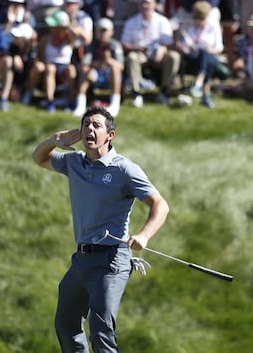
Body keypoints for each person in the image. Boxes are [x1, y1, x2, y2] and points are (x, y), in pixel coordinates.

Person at [32, 106, 169, 353]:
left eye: (96, 125)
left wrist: (144, 235)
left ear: (110, 135)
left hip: (112, 260)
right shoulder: (73, 162)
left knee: (100, 329)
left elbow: (160, 205)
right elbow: (39, 158)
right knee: (66, 323)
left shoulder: (124, 169)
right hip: (82, 259)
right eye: (86, 125)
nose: (89, 129)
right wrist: (55, 140)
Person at [122, 0, 179, 108]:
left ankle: (164, 91)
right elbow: (124, 44)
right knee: (132, 57)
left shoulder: (162, 21)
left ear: (154, 4)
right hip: (140, 54)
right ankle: (136, 93)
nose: (145, 6)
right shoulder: (131, 22)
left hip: (159, 55)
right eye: (142, 2)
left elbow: (170, 43)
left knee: (174, 56)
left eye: (148, 3)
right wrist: (137, 48)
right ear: (138, 5)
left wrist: (162, 50)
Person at [175, 0, 223, 109]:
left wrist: (209, 49)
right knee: (206, 59)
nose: (198, 21)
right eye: (196, 18)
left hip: (210, 56)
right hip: (193, 57)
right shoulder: (190, 28)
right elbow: (186, 45)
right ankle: (205, 95)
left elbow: (219, 48)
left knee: (207, 55)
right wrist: (183, 47)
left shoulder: (214, 27)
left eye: (201, 19)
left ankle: (199, 83)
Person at [73, 17, 124, 117]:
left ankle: (114, 105)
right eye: (100, 31)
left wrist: (108, 60)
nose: (103, 34)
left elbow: (120, 66)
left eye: (105, 31)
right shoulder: (91, 45)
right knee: (85, 71)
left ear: (111, 32)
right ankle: (80, 104)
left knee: (115, 68)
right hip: (96, 74)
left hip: (110, 76)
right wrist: (98, 64)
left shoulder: (115, 45)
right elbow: (84, 64)